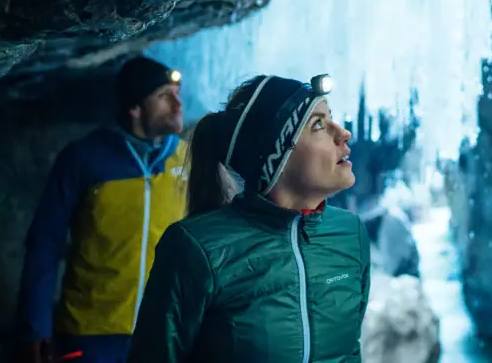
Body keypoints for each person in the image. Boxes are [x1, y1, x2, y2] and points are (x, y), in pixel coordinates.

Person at [126, 74, 371, 363]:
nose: (343, 133)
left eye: (332, 118)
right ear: (275, 157)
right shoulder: (196, 248)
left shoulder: (350, 234)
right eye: (318, 124)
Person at [16, 56, 188, 363]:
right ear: (135, 108)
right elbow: (45, 242)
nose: (177, 105)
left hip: (164, 332)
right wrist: (34, 327)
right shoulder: (84, 158)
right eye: (164, 96)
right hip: (90, 334)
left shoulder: (188, 160)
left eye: (177, 93)